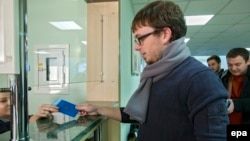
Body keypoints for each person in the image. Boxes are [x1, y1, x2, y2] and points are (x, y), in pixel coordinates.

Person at [76, 1, 229, 140]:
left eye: (140, 38)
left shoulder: (201, 79)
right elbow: (138, 114)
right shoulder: (155, 74)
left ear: (164, 34)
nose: (137, 46)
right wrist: (99, 109)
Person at [221, 48, 250, 124]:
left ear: (248, 61)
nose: (233, 68)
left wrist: (236, 104)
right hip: (227, 121)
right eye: (229, 65)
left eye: (237, 64)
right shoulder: (224, 77)